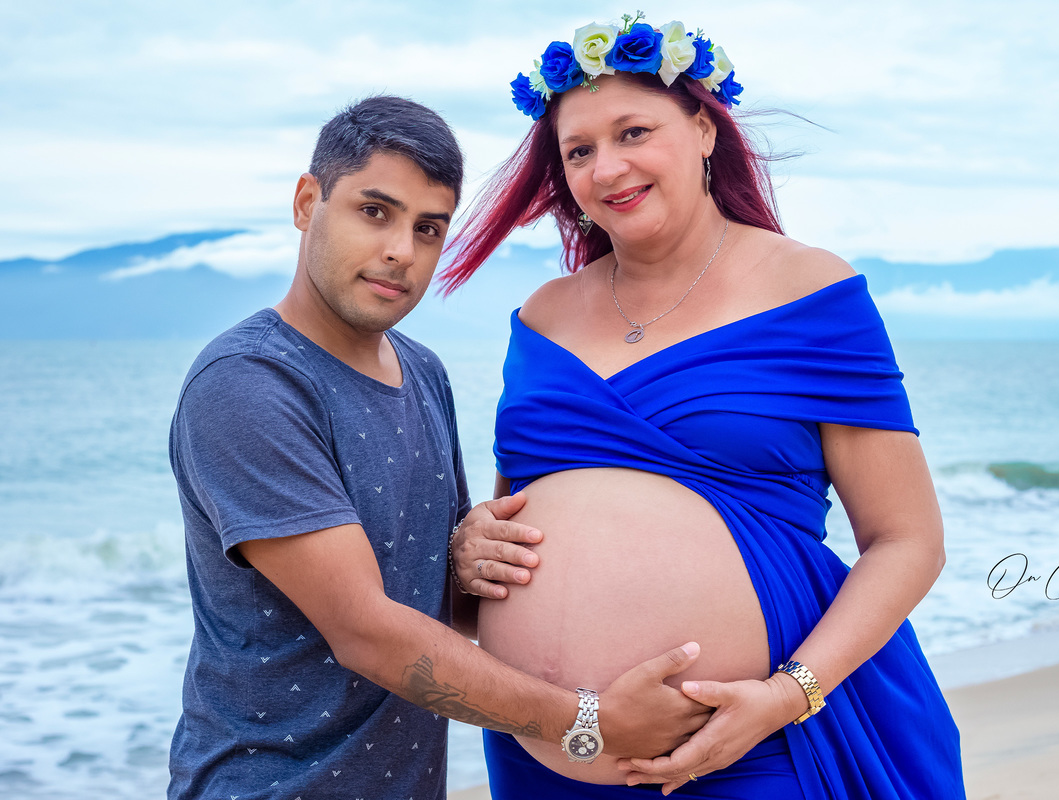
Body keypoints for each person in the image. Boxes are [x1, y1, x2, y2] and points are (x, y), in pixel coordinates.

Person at [445, 16, 968, 799]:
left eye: (633, 132)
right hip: (552, 752)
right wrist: (465, 552)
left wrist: (788, 695)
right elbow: (508, 529)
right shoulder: (542, 318)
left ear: (702, 129)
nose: (607, 167)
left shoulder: (809, 291)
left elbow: (908, 541)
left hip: (760, 737)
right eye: (578, 150)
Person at [166, 94, 709, 800]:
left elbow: (443, 600)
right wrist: (592, 724)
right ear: (306, 202)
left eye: (428, 228)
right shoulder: (248, 384)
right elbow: (368, 632)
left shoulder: (421, 371)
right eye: (374, 211)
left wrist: (471, 556)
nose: (401, 251)